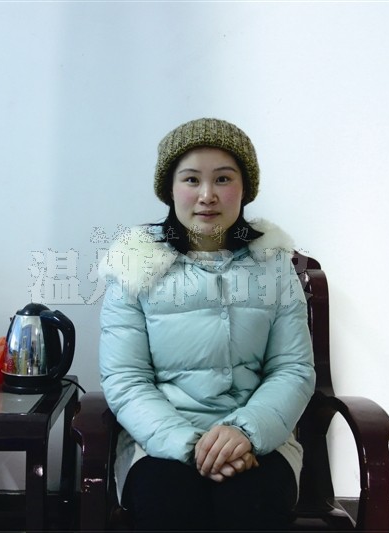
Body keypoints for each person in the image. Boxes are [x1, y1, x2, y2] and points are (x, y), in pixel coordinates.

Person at [98, 118, 316, 531]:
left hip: (259, 438)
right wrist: (189, 444)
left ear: (245, 188)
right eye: (191, 179)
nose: (207, 195)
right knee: (170, 508)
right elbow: (126, 378)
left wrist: (245, 432)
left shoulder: (272, 263)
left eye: (223, 179)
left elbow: (293, 369)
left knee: (251, 507)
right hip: (159, 443)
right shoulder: (134, 263)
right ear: (170, 189)